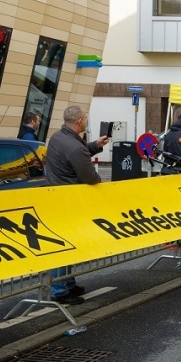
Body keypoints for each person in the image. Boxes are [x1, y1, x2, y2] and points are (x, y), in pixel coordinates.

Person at [45, 105, 110, 302]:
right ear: (80, 121)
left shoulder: (57, 137)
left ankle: (67, 282)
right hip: (68, 203)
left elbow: (75, 155)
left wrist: (95, 145)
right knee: (64, 246)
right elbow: (90, 177)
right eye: (85, 118)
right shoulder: (74, 147)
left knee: (67, 244)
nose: (86, 120)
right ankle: (60, 290)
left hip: (56, 198)